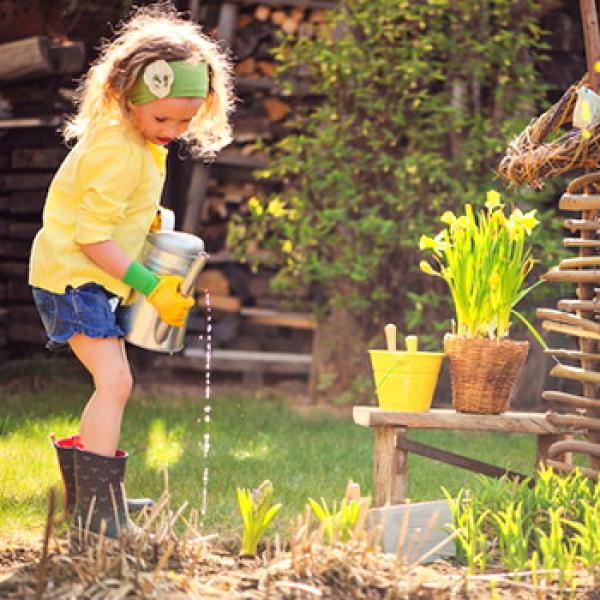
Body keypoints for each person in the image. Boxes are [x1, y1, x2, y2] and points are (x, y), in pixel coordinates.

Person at [28, 4, 234, 540]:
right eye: (162, 118)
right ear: (126, 98)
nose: (173, 130)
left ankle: (95, 498)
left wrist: (155, 232)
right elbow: (91, 236)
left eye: (185, 121)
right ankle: (98, 512)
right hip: (73, 279)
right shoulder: (116, 150)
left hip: (92, 277)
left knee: (114, 384)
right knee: (116, 382)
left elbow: (121, 212)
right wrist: (152, 285)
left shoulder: (140, 142)